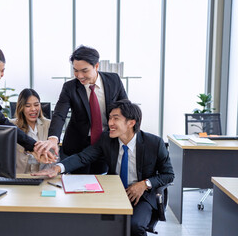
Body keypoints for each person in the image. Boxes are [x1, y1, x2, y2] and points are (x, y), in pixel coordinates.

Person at [33, 99, 174, 236]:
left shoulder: (154, 143)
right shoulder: (106, 139)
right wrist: (57, 168)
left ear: (131, 122)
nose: (110, 123)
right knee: (92, 220)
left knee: (134, 226)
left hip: (142, 196)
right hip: (114, 191)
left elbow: (168, 174)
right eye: (110, 118)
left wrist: (144, 184)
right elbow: (83, 157)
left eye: (115, 118)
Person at [36, 45, 127, 174]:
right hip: (77, 145)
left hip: (106, 141)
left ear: (96, 66)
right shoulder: (70, 87)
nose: (79, 75)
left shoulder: (114, 80)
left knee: (101, 181)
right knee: (77, 184)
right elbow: (59, 114)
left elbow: (125, 108)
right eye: (75, 70)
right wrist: (53, 138)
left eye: (84, 71)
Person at [10, 88, 59, 173]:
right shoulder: (12, 125)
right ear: (21, 107)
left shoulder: (49, 125)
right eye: (28, 106)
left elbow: (55, 155)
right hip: (20, 176)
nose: (33, 109)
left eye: (36, 105)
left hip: (44, 175)